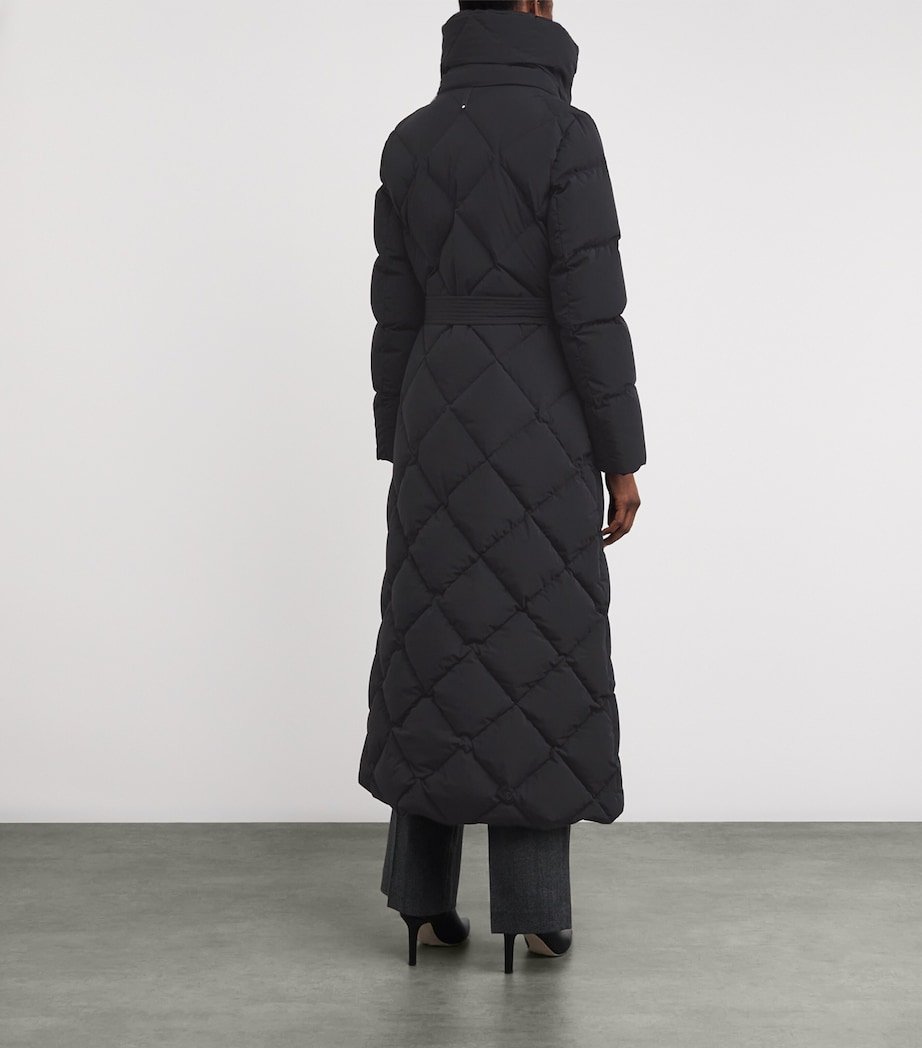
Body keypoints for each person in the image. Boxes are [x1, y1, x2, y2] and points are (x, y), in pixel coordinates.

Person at [358, 0, 646, 974]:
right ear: (534, 9)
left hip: (435, 413)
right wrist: (620, 455)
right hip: (541, 419)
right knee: (533, 652)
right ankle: (530, 911)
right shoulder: (566, 133)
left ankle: (419, 901)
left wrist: (399, 434)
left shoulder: (410, 139)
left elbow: (393, 308)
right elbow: (590, 309)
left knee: (434, 646)